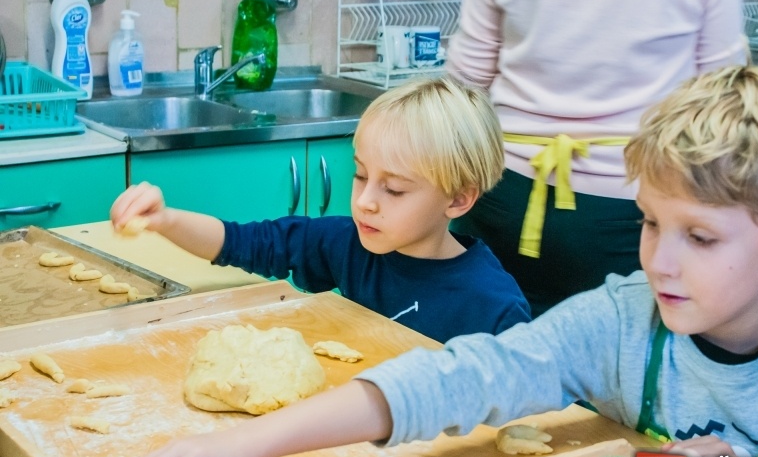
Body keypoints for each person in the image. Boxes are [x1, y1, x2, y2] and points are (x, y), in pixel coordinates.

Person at [133, 65, 758, 457]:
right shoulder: (616, 325)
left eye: (701, 238)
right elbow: (454, 380)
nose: (659, 262)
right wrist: (247, 443)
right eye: (650, 223)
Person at [110, 77, 531, 343]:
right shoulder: (348, 243)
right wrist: (166, 220)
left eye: (394, 189)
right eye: (361, 175)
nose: (365, 201)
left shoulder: (494, 309)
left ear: (458, 199)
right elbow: (243, 242)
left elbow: (530, 419)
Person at [446, 0, 749, 315]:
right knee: (615, 343)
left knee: (485, 338)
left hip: (503, 191)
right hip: (631, 202)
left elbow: (465, 79)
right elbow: (720, 93)